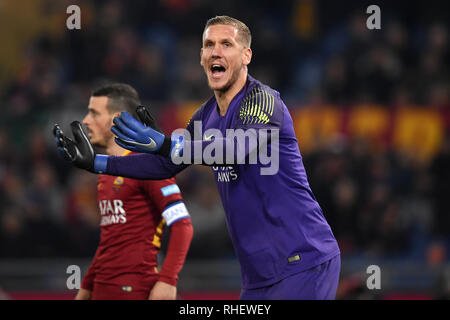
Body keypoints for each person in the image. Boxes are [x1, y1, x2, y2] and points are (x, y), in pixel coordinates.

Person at [54, 16, 340, 300]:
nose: (216, 51)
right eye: (209, 44)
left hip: (303, 260)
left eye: (227, 44)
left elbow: (235, 150)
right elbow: (166, 164)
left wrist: (166, 144)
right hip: (258, 276)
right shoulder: (205, 116)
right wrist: (98, 163)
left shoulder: (263, 100)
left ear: (246, 55)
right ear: (202, 57)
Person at [54, 83, 193, 300]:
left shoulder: (148, 168)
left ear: (115, 118)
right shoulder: (105, 171)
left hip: (135, 289)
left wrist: (167, 280)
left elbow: (182, 225)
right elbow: (110, 239)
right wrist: (87, 286)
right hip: (103, 288)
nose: (85, 121)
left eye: (93, 113)